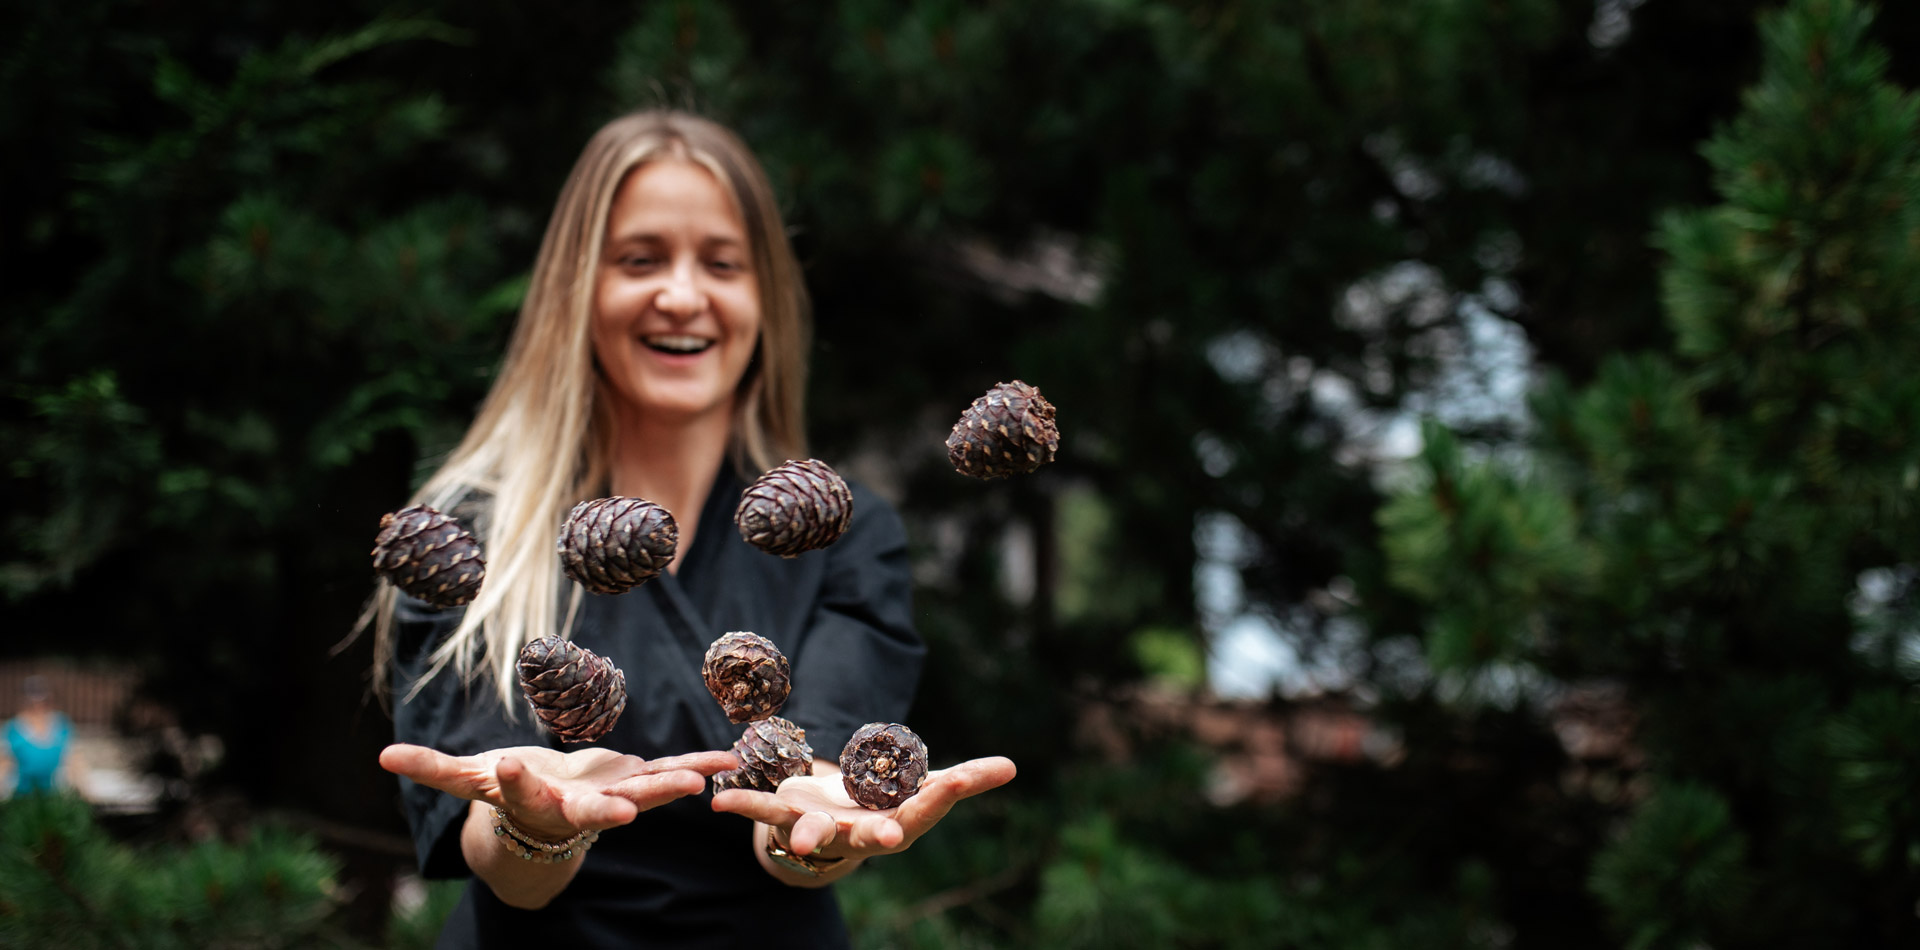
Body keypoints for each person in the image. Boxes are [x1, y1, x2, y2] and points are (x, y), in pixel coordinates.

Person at [368, 110, 1017, 949]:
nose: (682, 295)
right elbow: (505, 863)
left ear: (765, 298)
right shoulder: (466, 538)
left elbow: (807, 800)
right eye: (640, 260)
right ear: (578, 289)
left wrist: (809, 833)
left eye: (721, 263)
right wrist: (542, 826)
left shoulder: (845, 534)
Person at [3, 675, 89, 799]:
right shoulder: (12, 729)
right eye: (32, 702)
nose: (38, 706)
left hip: (58, 796)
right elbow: (4, 763)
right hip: (21, 796)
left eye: (42, 701)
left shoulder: (62, 725)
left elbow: (75, 759)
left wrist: (84, 791)